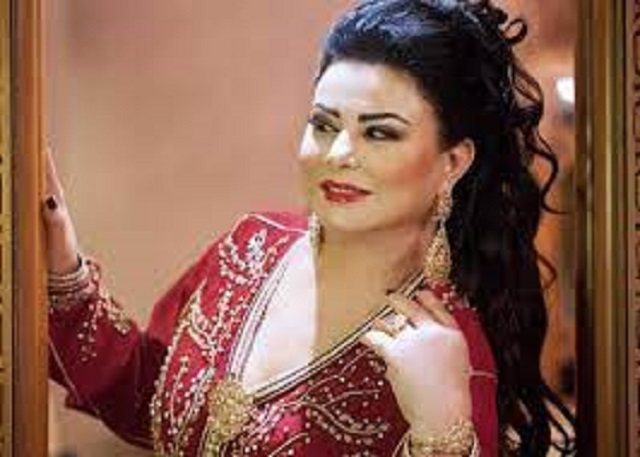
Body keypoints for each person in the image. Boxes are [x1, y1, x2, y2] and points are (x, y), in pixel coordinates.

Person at [43, 0, 576, 455]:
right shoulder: (250, 249)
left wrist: (441, 429)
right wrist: (62, 264)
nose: (338, 153)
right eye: (323, 124)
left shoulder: (446, 352)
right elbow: (146, 395)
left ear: (452, 162)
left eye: (380, 133)